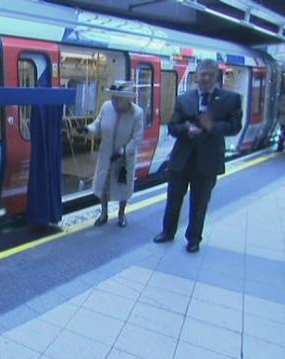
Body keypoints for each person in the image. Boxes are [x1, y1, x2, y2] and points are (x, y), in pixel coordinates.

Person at [153, 58, 242, 253]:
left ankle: (193, 239)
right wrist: (185, 129)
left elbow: (235, 127)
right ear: (197, 76)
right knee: (173, 198)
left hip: (208, 161)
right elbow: (172, 127)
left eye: (211, 74)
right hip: (181, 159)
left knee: (199, 202)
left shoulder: (230, 99)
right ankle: (167, 232)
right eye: (203, 74)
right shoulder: (184, 99)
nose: (207, 78)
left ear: (217, 76)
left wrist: (213, 127)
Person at [76, 81, 144, 227]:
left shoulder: (137, 113)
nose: (114, 100)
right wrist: (87, 129)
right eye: (113, 96)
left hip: (124, 159)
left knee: (123, 187)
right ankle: (103, 213)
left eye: (118, 98)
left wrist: (122, 152)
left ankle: (121, 214)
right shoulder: (106, 107)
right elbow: (98, 124)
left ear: (128, 99)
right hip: (106, 155)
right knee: (103, 185)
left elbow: (137, 138)